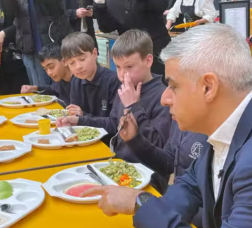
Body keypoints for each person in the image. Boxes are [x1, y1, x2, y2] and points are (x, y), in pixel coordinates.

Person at [82, 24, 252, 228]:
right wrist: (142, 203)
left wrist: (141, 203)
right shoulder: (221, 134)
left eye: (173, 86)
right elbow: (189, 186)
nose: (165, 98)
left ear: (208, 87)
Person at [58, 30, 171, 161]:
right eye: (117, 67)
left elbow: (158, 146)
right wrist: (80, 120)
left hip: (147, 174)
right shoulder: (125, 88)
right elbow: (113, 124)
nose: (122, 74)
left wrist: (133, 107)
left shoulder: (163, 97)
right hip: (118, 162)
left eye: (129, 66)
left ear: (148, 61)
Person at [94, 0, 170, 77]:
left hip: (158, 50)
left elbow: (162, 4)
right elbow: (106, 27)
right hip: (130, 56)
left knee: (163, 86)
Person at [58, 32, 120, 117]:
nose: (78, 66)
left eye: (82, 59)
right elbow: (75, 115)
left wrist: (83, 116)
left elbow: (114, 123)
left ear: (94, 54)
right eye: (72, 63)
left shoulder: (113, 80)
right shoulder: (76, 81)